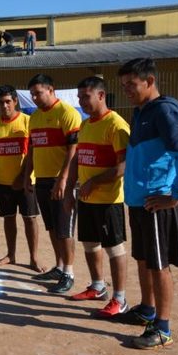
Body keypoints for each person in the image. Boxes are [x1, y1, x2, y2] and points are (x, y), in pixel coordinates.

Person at [118, 58, 178, 349]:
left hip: (156, 203)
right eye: (123, 85)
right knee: (144, 260)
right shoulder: (141, 112)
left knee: (159, 265)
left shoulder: (164, 111)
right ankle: (147, 310)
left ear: (149, 81)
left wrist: (176, 195)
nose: (126, 90)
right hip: (139, 202)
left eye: (132, 85)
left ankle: (162, 328)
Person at [65, 76, 130, 319]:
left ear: (101, 95)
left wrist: (93, 182)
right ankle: (97, 286)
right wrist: (71, 189)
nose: (81, 102)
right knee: (90, 244)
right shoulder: (86, 124)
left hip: (108, 200)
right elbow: (78, 159)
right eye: (79, 97)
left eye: (86, 97)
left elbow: (123, 166)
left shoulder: (116, 124)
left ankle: (120, 299)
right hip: (86, 198)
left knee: (114, 248)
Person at [24, 74, 81, 293]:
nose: (35, 98)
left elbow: (73, 150)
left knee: (64, 229)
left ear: (51, 90)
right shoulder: (35, 117)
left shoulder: (67, 113)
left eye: (38, 93)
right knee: (52, 226)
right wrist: (28, 175)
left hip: (62, 181)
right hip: (42, 181)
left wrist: (64, 178)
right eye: (32, 94)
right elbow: (32, 150)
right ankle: (59, 266)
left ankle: (69, 272)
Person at [0, 85, 45, 272]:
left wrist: (23, 177)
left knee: (30, 218)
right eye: (1, 102)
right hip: (3, 183)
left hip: (27, 182)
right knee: (8, 218)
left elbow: (33, 153)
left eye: (8, 101)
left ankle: (34, 258)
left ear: (16, 101)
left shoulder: (28, 122)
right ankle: (11, 254)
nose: (5, 106)